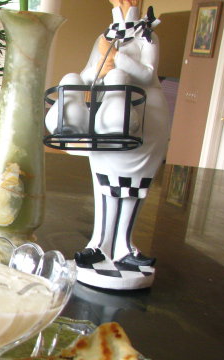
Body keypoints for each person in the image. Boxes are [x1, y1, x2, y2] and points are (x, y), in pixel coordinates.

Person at [47, 0, 170, 290]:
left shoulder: (146, 35)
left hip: (145, 118)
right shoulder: (104, 36)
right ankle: (100, 244)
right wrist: (97, 66)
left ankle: (125, 248)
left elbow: (147, 74)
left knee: (134, 183)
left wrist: (118, 59)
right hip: (108, 117)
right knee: (105, 182)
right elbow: (91, 74)